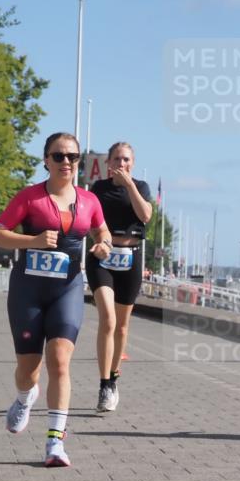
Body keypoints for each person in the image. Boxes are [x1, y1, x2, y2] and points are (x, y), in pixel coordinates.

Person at [0, 132, 111, 467]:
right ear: (46, 160)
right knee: (28, 370)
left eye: (73, 157)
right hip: (28, 290)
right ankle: (25, 398)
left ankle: (54, 442)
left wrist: (103, 244)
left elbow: (102, 231)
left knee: (59, 360)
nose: (67, 162)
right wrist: (34, 239)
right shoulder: (29, 198)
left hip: (67, 289)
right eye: (59, 156)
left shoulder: (89, 201)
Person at [87, 142, 153, 413]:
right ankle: (103, 385)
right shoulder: (99, 189)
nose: (121, 164)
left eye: (126, 159)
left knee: (123, 327)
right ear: (108, 163)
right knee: (108, 319)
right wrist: (98, 241)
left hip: (131, 255)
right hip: (103, 256)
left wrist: (130, 186)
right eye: (117, 159)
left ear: (132, 163)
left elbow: (145, 216)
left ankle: (113, 378)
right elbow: (91, 221)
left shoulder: (141, 186)